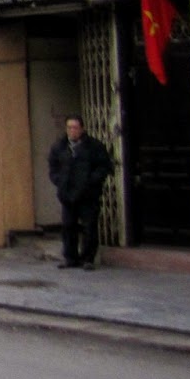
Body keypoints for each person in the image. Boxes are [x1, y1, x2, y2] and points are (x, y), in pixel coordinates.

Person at [47, 114, 114, 269]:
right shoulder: (59, 147)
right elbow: (53, 167)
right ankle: (70, 258)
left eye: (75, 127)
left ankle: (88, 258)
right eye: (69, 127)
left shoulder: (94, 146)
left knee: (89, 227)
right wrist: (59, 181)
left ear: (82, 129)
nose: (72, 131)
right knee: (68, 226)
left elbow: (103, 167)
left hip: (88, 195)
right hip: (67, 194)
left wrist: (91, 181)